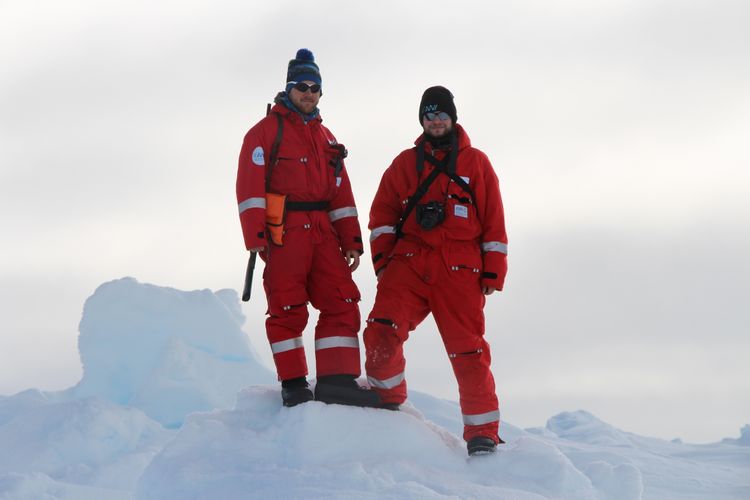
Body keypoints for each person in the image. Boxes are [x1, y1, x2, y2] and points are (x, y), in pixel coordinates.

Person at [363, 86, 508, 455]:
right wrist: (383, 263)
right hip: (409, 263)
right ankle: (386, 401)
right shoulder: (404, 164)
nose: (436, 121)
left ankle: (482, 433)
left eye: (441, 114)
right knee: (381, 330)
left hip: (459, 269)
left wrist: (493, 272)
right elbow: (381, 217)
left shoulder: (477, 163)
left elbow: (494, 222)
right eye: (429, 116)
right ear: (422, 121)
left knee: (468, 352)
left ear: (453, 117)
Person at [236, 48, 379, 408]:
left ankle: (337, 380)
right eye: (302, 85)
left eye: (315, 87)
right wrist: (257, 239)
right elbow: (249, 188)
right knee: (287, 308)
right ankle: (294, 383)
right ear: (288, 88)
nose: (309, 93)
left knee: (342, 300)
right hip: (285, 234)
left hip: (323, 234)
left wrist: (351, 240)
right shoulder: (264, 133)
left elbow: (341, 194)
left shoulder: (327, 137)